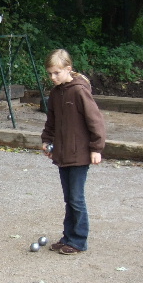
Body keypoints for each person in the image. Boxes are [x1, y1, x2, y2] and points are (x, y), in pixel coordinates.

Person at [41, 49, 106, 255]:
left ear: (68, 69)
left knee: (76, 199)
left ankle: (79, 241)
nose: (53, 77)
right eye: (50, 73)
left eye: (56, 73)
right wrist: (47, 140)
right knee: (69, 199)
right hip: (62, 154)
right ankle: (68, 237)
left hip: (79, 154)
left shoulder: (79, 91)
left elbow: (95, 121)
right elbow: (51, 122)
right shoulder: (55, 93)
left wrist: (96, 148)